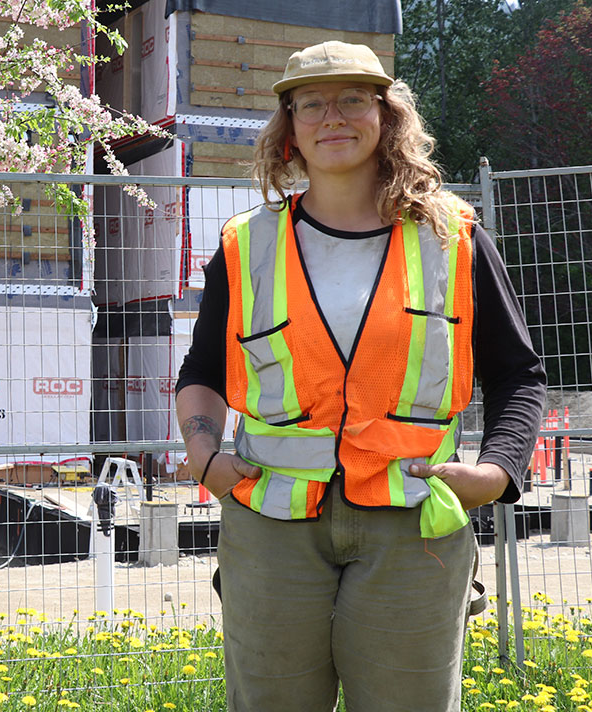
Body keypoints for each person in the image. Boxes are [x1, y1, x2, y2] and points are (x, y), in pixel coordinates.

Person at [175, 41, 546, 711]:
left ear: (387, 115)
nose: (332, 117)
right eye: (311, 103)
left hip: (413, 526)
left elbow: (517, 374)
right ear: (288, 127)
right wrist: (204, 456)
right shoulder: (244, 246)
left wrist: (495, 474)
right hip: (272, 524)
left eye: (353, 99)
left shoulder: (453, 238)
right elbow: (201, 372)